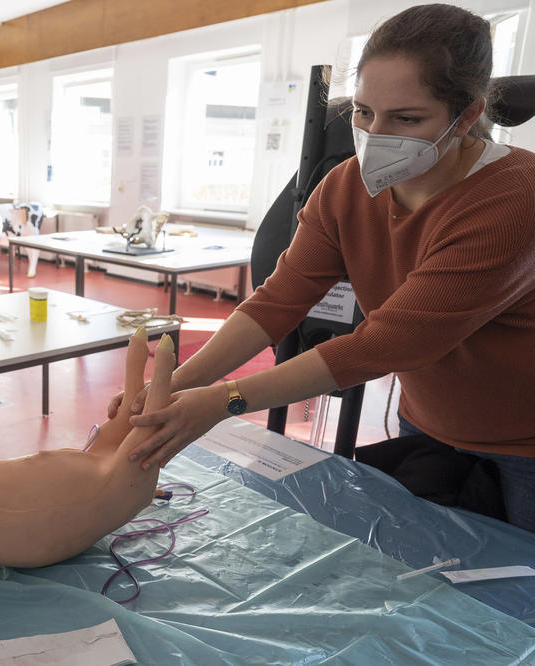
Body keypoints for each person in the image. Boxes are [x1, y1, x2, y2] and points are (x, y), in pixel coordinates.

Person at [114, 4, 535, 531]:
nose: (375, 136)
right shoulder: (345, 185)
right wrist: (174, 385)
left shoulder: (515, 199)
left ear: (467, 115)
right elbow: (278, 300)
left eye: (406, 119)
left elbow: (386, 343)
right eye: (362, 112)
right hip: (429, 420)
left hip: (525, 443)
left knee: (519, 597)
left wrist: (223, 401)